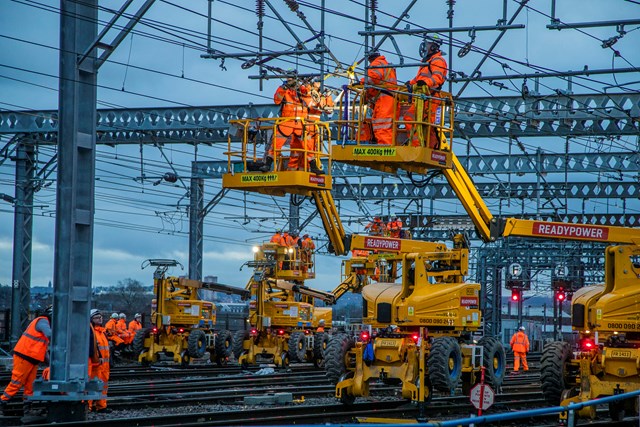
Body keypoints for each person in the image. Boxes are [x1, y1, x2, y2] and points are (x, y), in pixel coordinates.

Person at [1, 305, 52, 415]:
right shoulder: (43, 321)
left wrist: (51, 363)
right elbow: (50, 334)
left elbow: (43, 348)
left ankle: (27, 410)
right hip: (24, 356)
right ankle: (2, 401)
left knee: (30, 386)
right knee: (16, 382)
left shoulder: (44, 323)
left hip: (31, 359)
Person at [404, 37, 448, 148]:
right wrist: (410, 83)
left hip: (430, 97)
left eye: (427, 44)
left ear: (433, 46)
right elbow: (420, 79)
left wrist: (425, 83)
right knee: (425, 123)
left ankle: (418, 146)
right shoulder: (427, 61)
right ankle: (427, 146)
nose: (424, 47)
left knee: (420, 121)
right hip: (423, 97)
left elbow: (437, 78)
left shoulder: (438, 61)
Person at [262, 71, 308, 172]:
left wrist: (306, 83)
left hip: (300, 123)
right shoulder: (284, 89)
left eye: (291, 78)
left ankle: (297, 169)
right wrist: (284, 88)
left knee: (302, 147)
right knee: (276, 144)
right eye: (288, 78)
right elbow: (277, 100)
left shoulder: (301, 89)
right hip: (286, 122)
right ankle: (268, 164)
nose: (289, 80)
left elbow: (308, 95)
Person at [360, 51, 398, 145]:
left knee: (382, 126)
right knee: (387, 127)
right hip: (390, 99)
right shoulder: (386, 64)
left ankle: (384, 149)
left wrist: (362, 81)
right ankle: (387, 145)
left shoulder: (376, 63)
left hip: (384, 100)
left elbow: (374, 77)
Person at [300, 77, 328, 175]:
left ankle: (312, 167)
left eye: (320, 82)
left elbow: (328, 110)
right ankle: (308, 167)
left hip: (316, 126)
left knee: (314, 148)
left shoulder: (323, 95)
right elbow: (308, 103)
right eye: (317, 81)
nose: (318, 84)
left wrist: (324, 99)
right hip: (307, 125)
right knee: (307, 146)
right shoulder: (308, 93)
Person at [88, 309, 111, 413]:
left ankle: (101, 406)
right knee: (91, 386)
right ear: (91, 319)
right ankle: (88, 406)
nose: (100, 319)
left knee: (103, 386)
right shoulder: (92, 332)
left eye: (100, 317)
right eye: (97, 317)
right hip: (95, 365)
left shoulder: (102, 332)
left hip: (104, 366)